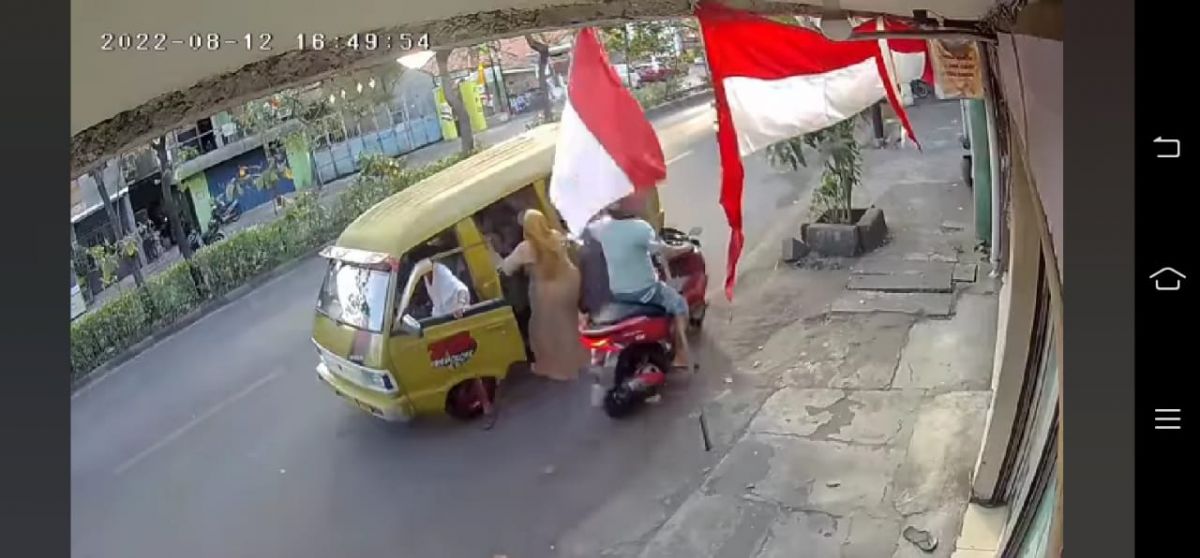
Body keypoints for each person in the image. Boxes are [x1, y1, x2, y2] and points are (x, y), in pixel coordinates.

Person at [590, 196, 695, 371]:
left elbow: (586, 230)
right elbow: (664, 252)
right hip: (645, 290)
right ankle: (681, 356)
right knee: (679, 305)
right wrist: (686, 248)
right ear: (627, 206)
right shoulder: (640, 228)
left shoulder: (601, 228)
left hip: (619, 292)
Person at [499, 209, 588, 381]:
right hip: (570, 282)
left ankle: (559, 366)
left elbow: (507, 268)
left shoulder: (526, 248)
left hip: (547, 291)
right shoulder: (555, 236)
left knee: (545, 329)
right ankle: (582, 356)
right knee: (571, 321)